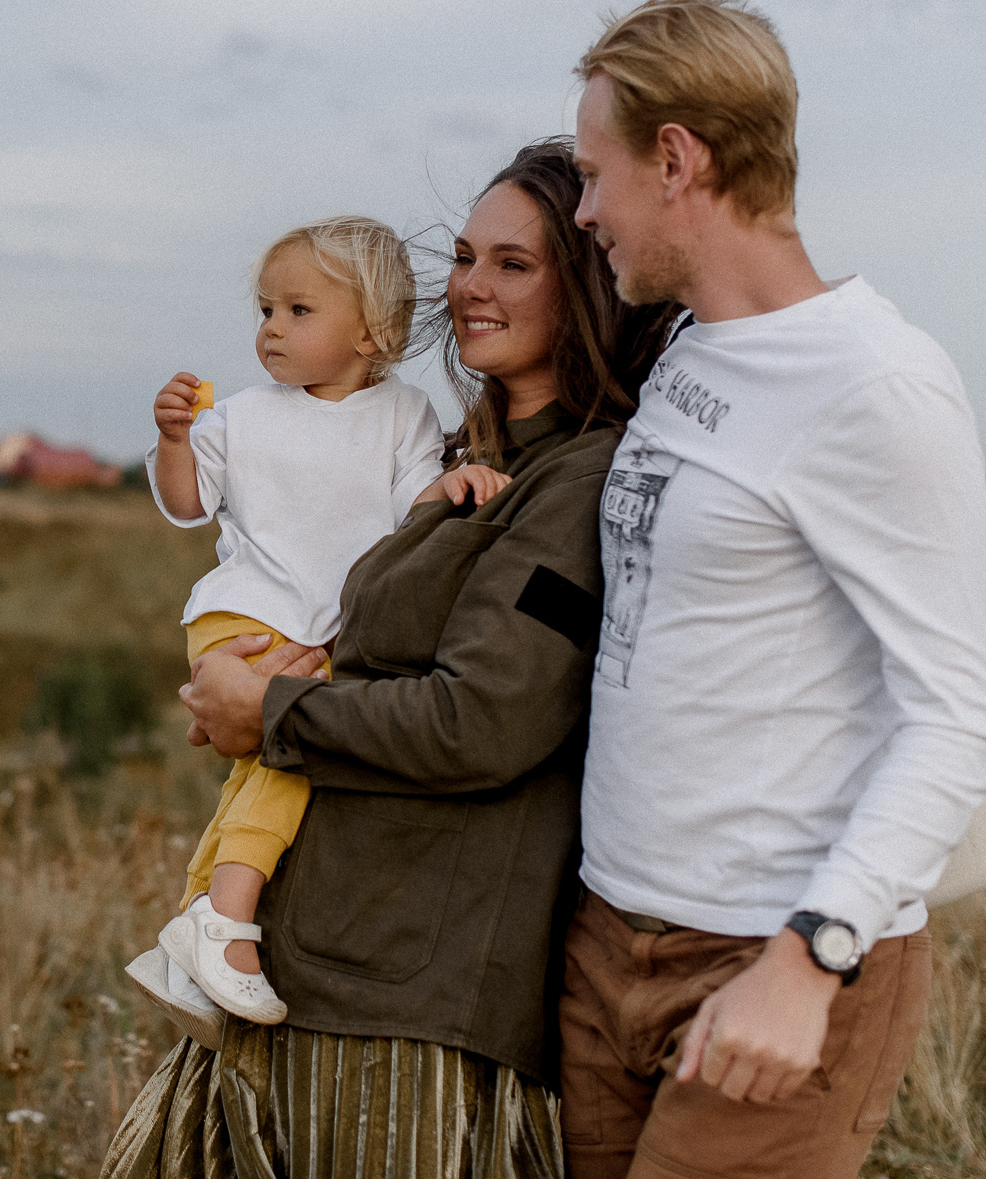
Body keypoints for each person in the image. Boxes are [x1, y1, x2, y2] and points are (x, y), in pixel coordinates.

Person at [103, 142, 677, 1179]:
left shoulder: (576, 481)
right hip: (308, 965)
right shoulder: (461, 455)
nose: (468, 286)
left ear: (589, 284)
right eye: (463, 257)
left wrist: (270, 712)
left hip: (407, 999)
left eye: (513, 263)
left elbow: (485, 721)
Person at [559, 0, 986, 1179]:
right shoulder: (691, 349)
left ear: (676, 158)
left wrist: (810, 959)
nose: (587, 211)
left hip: (771, 960)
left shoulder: (878, 387)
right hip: (609, 941)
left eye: (594, 173)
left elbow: (958, 715)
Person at [133, 216, 507, 1039]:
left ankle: (195, 919)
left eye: (297, 311)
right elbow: (189, 503)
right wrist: (172, 440)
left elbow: (416, 502)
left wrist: (457, 481)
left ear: (371, 332)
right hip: (248, 616)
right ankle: (227, 921)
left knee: (261, 772)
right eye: (265, 311)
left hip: (324, 626)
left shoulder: (404, 414)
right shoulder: (238, 417)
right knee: (295, 750)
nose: (270, 329)